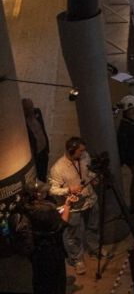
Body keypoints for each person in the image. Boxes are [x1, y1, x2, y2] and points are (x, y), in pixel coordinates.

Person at [48, 137, 98, 275]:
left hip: (90, 200)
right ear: (71, 150)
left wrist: (93, 178)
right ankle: (77, 260)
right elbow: (53, 190)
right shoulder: (58, 168)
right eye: (80, 151)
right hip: (75, 207)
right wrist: (69, 190)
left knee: (93, 227)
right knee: (73, 235)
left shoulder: (84, 156)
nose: (84, 153)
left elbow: (88, 172)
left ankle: (95, 249)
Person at [15, 180, 73, 293]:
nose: (46, 192)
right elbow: (61, 226)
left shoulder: (24, 205)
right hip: (50, 251)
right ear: (37, 194)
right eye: (43, 191)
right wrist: (67, 206)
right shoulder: (45, 210)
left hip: (35, 251)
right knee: (56, 279)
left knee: (40, 278)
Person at [22, 98, 50, 181]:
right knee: (36, 175)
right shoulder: (22, 121)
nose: (31, 110)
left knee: (43, 172)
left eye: (31, 107)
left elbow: (42, 128)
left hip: (44, 149)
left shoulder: (37, 112)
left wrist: (47, 146)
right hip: (35, 154)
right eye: (28, 109)